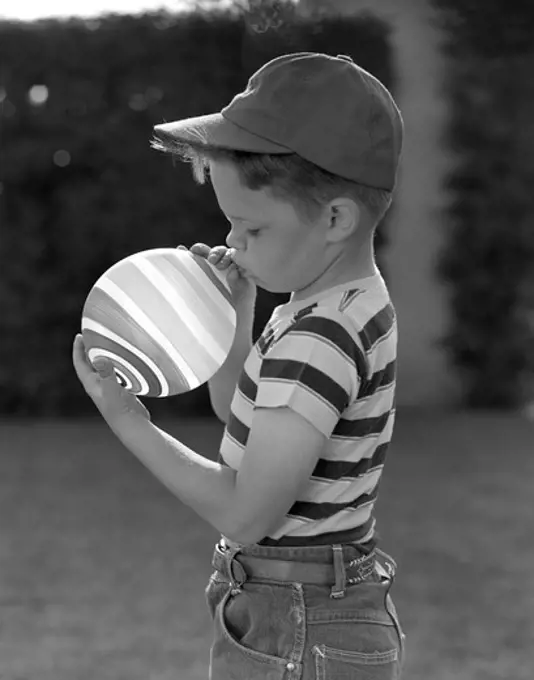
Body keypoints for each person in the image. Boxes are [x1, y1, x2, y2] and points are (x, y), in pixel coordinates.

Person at [73, 52, 406, 679]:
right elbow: (242, 419)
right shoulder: (337, 306)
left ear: (336, 218)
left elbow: (248, 511)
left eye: (250, 227)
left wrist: (127, 420)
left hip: (297, 617)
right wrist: (238, 315)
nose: (233, 243)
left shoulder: (321, 335)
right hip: (308, 605)